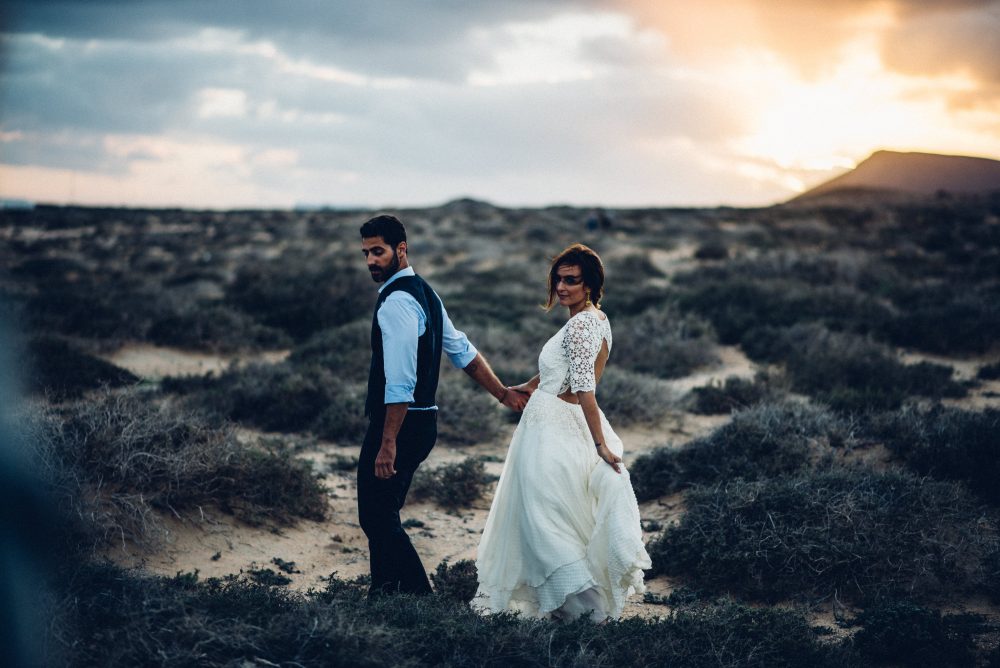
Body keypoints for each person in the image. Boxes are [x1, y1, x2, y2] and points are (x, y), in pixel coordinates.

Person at [473, 243, 651, 621]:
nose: (562, 286)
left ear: (590, 285)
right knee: (555, 517)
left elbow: (585, 387)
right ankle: (567, 609)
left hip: (554, 431)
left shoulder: (582, 324)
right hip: (550, 424)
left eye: (572, 280)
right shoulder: (593, 320)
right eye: (558, 278)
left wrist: (600, 444)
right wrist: (528, 385)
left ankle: (582, 612)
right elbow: (566, 369)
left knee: (544, 521)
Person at [358, 214, 528, 597]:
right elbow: (462, 351)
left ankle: (418, 597)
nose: (371, 260)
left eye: (378, 251)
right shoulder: (426, 293)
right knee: (383, 516)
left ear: (401, 250)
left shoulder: (398, 303)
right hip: (423, 424)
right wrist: (502, 393)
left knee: (376, 516)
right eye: (366, 253)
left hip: (401, 425)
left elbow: (401, 381)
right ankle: (385, 596)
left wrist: (388, 443)